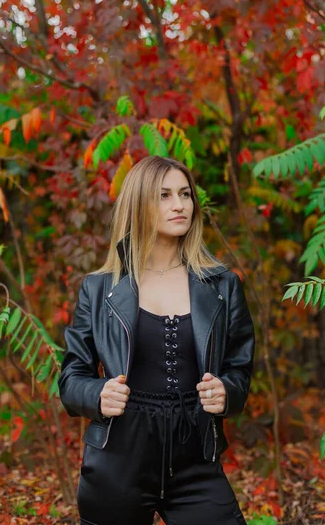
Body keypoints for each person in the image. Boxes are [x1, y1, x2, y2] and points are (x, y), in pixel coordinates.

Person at [58, 156, 255, 525]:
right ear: (139, 204)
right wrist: (97, 394)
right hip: (118, 458)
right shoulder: (100, 288)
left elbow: (240, 369)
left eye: (184, 194)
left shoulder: (222, 286)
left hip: (196, 456)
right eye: (164, 195)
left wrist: (227, 392)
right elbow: (71, 379)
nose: (179, 205)